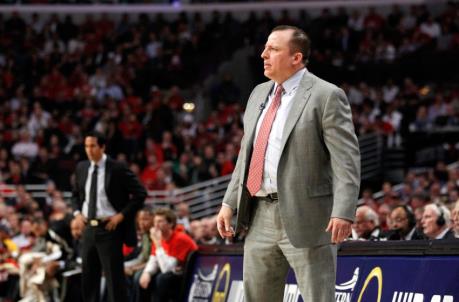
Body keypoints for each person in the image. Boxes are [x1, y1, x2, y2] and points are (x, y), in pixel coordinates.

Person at [216, 25, 360, 302]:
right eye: (265, 48)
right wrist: (228, 202)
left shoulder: (326, 95)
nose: (263, 54)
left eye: (273, 49)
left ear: (296, 58)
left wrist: (343, 211)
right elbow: (247, 154)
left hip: (310, 216)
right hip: (259, 215)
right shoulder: (258, 93)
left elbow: (346, 160)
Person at [71, 131, 147, 302]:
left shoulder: (117, 168)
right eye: (86, 146)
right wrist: (76, 214)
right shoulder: (82, 168)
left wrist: (121, 216)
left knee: (114, 278)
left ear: (102, 147)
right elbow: (75, 195)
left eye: (93, 146)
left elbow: (140, 193)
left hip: (109, 228)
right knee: (89, 277)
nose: (89, 150)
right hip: (88, 228)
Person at [139, 208, 197, 302]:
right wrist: (147, 273)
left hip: (188, 275)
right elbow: (153, 259)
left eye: (160, 221)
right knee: (140, 277)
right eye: (155, 221)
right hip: (173, 271)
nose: (156, 225)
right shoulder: (160, 237)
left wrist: (158, 244)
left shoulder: (180, 238)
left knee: (161, 278)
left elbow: (166, 269)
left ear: (170, 224)